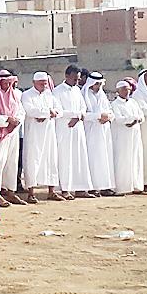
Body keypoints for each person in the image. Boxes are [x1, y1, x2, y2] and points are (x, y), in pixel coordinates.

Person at [52, 65, 94, 200]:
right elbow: (58, 110)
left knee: (79, 157)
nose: (77, 81)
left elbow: (83, 107)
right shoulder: (57, 91)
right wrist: (74, 115)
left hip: (78, 128)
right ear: (67, 76)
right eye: (75, 78)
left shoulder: (77, 90)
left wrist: (78, 116)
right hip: (64, 128)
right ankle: (65, 189)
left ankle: (80, 188)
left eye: (78, 79)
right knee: (66, 158)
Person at [20, 72, 62, 202]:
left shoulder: (50, 95)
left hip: (49, 133)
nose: (43, 86)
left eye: (45, 83)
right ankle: (31, 192)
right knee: (32, 160)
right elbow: (30, 111)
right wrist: (48, 113)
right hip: (33, 134)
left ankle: (51, 191)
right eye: (41, 83)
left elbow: (59, 110)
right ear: (34, 83)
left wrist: (47, 114)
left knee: (51, 160)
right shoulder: (27, 95)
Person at [0, 70, 26, 206]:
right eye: (5, 83)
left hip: (12, 133)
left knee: (12, 163)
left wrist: (15, 122)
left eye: (10, 83)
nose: (7, 85)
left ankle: (11, 192)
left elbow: (21, 112)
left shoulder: (14, 95)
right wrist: (7, 120)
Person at [82, 72, 115, 197]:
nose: (98, 86)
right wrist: (98, 116)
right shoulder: (84, 95)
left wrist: (108, 117)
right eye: (96, 84)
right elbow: (83, 114)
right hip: (91, 132)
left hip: (104, 131)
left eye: (100, 84)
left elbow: (110, 111)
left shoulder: (102, 95)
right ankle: (92, 187)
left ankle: (105, 186)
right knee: (93, 160)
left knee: (105, 159)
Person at [110, 81, 146, 194]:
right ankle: (122, 187)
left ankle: (136, 186)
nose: (127, 92)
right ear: (118, 91)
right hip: (122, 137)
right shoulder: (115, 104)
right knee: (123, 160)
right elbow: (119, 119)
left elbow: (141, 116)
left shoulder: (133, 102)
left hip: (135, 134)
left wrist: (135, 120)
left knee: (136, 158)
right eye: (124, 89)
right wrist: (132, 119)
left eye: (128, 89)